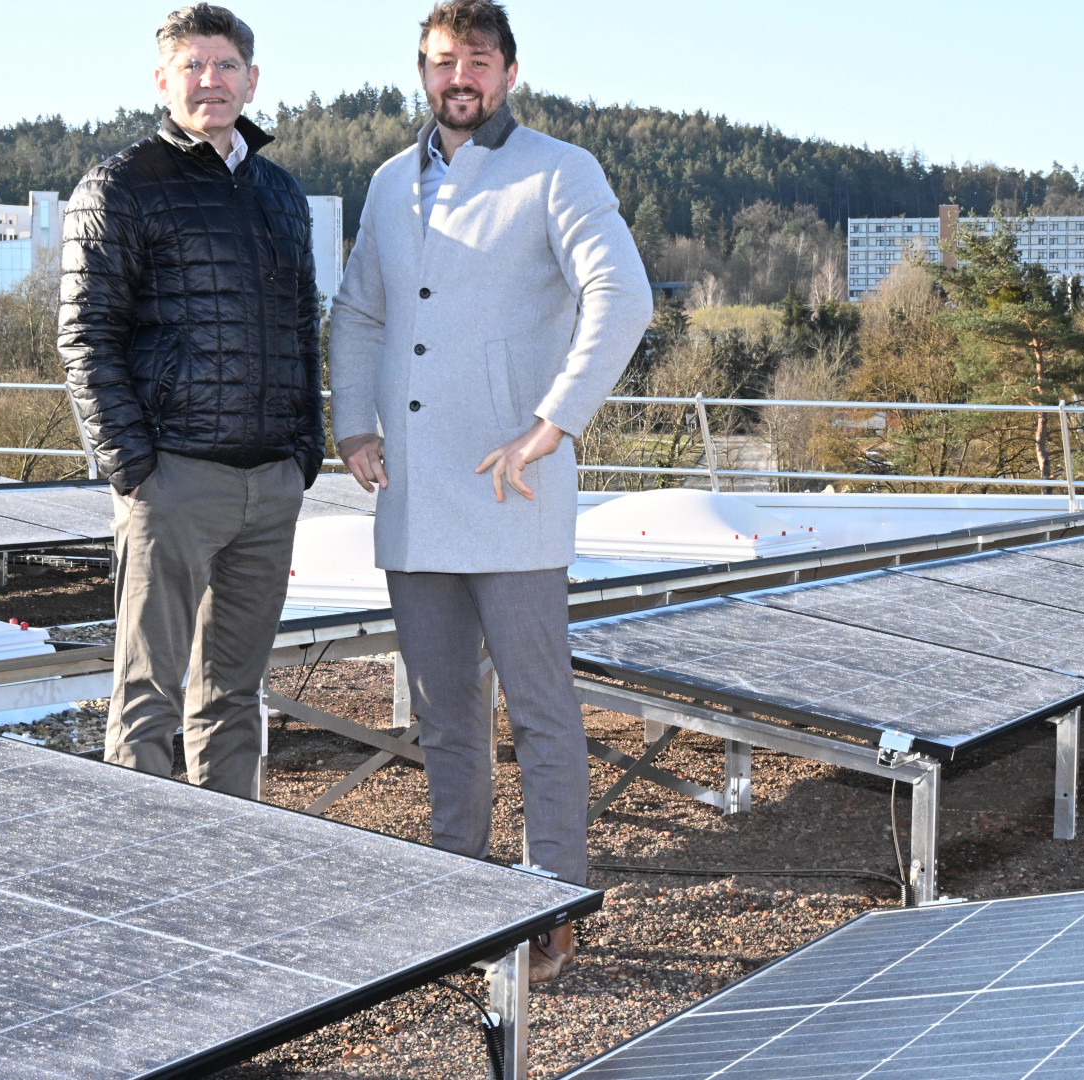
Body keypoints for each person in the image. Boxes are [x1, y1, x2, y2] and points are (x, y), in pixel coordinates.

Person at [328, 0, 652, 982]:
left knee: (541, 716)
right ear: (422, 75)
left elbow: (623, 295)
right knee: (446, 717)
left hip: (515, 496)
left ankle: (552, 904)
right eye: (439, 63)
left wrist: (554, 420)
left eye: (475, 60)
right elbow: (357, 313)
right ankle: (459, 891)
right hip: (418, 501)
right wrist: (351, 422)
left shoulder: (561, 170)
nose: (456, 77)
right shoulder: (389, 182)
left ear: (508, 71)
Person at [59, 3, 323, 797]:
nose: (211, 80)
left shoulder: (280, 192)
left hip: (270, 482)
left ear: (252, 77)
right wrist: (133, 467)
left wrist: (305, 452)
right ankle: (141, 883)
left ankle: (226, 866)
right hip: (173, 480)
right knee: (147, 698)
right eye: (193, 65)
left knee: (236, 697)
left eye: (226, 65)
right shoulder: (120, 186)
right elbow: (86, 337)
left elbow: (305, 325)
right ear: (162, 79)